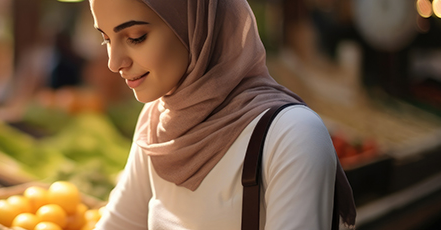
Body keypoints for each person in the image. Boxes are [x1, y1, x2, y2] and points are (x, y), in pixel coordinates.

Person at [88, 0, 356, 229]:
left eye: (136, 37)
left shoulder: (292, 136)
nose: (114, 63)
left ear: (196, 25)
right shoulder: (157, 122)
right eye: (106, 39)